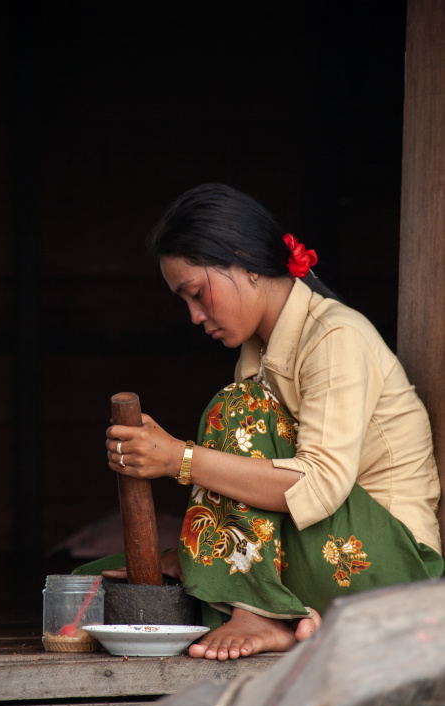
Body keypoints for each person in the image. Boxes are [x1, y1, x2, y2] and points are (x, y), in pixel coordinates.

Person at [95, 183, 443, 661]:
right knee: (106, 578)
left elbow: (318, 486)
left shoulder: (335, 336)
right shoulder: (257, 354)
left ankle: (260, 609)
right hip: (324, 553)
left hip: (393, 569)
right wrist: (198, 549)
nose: (195, 316)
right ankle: (283, 614)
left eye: (197, 293)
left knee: (237, 411)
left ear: (245, 262)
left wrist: (179, 458)